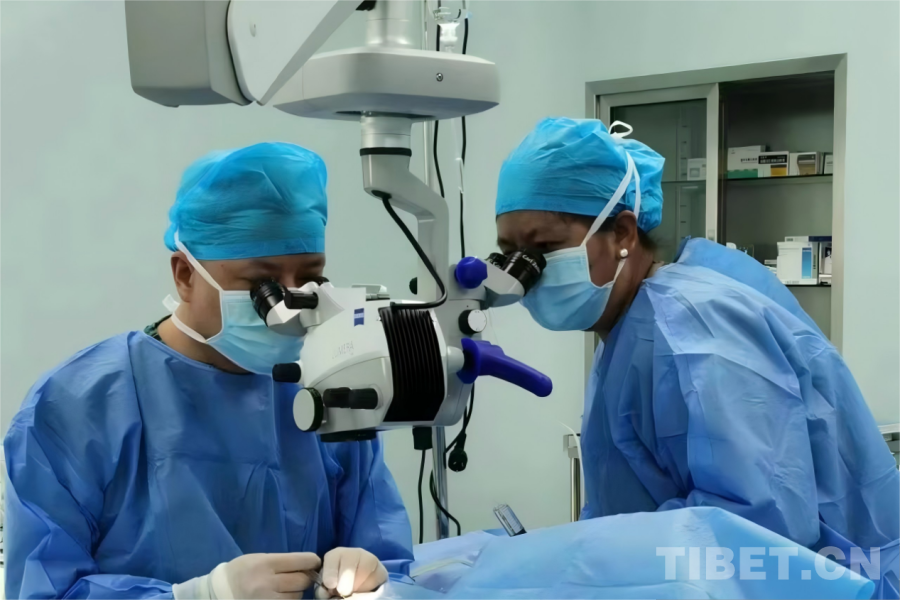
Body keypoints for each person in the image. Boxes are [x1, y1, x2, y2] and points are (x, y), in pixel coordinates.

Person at [495, 117, 900, 598]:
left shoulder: (694, 328)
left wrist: (578, 560)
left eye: (544, 248)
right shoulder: (630, 325)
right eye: (509, 253)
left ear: (622, 232)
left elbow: (757, 528)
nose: (528, 271)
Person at [5, 142, 414, 600]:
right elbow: (43, 589)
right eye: (262, 285)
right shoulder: (76, 406)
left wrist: (373, 582)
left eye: (310, 279)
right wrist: (197, 596)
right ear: (185, 274)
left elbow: (392, 562)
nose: (290, 304)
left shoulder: (330, 389)